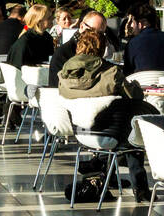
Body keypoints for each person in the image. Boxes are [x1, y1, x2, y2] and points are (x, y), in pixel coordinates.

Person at [57, 29, 153, 201]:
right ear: (102, 48)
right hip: (109, 134)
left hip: (81, 132)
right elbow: (134, 96)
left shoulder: (64, 73)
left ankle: (100, 172)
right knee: (132, 134)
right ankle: (141, 189)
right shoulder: (110, 72)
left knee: (123, 127)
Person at [49, 9, 106, 83]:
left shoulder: (99, 48)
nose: (97, 36)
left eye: (101, 33)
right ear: (82, 26)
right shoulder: (63, 53)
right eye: (92, 31)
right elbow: (57, 88)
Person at [123, 3, 164, 74]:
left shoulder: (131, 44)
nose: (132, 26)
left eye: (133, 22)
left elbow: (127, 72)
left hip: (140, 83)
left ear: (140, 24)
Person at [6, 3, 55, 67]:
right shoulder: (25, 42)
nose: (53, 18)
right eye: (49, 18)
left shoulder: (46, 37)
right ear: (39, 21)